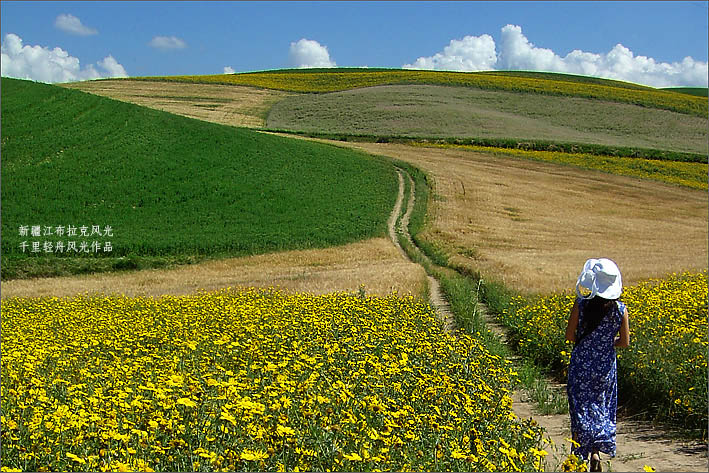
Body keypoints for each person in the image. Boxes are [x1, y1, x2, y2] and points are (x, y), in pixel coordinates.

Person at [565, 258, 630, 472]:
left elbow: (570, 336)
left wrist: (589, 343)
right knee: (602, 407)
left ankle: (578, 455)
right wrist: (604, 343)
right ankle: (595, 452)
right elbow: (624, 342)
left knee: (581, 408)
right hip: (605, 367)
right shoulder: (620, 310)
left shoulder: (581, 305)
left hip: (581, 365)